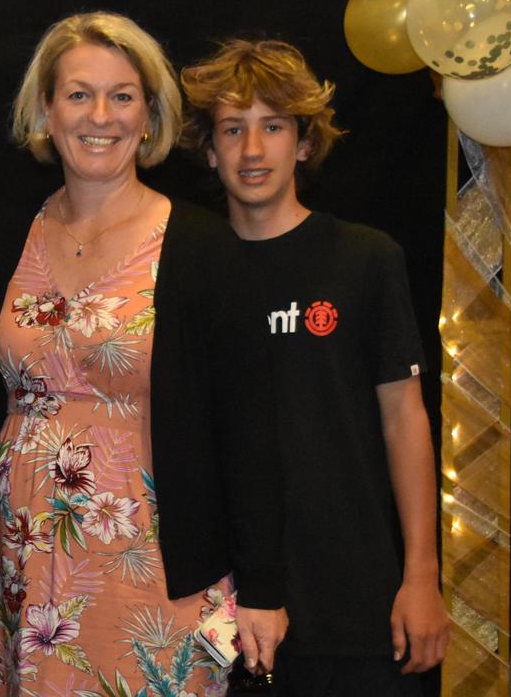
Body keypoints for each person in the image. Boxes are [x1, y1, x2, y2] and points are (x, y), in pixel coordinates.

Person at [0, 12, 287, 695]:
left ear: (148, 117)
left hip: (153, 574)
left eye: (122, 96)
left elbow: (252, 432)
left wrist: (263, 588)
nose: (100, 116)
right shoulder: (7, 233)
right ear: (47, 112)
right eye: (79, 94)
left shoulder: (202, 248)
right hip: (19, 564)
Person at [180, 39, 450, 696]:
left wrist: (421, 576)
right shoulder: (184, 274)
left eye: (273, 128)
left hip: (359, 600)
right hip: (229, 610)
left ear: (304, 143)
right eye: (233, 130)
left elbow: (404, 421)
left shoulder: (365, 260)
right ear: (209, 150)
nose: (252, 150)